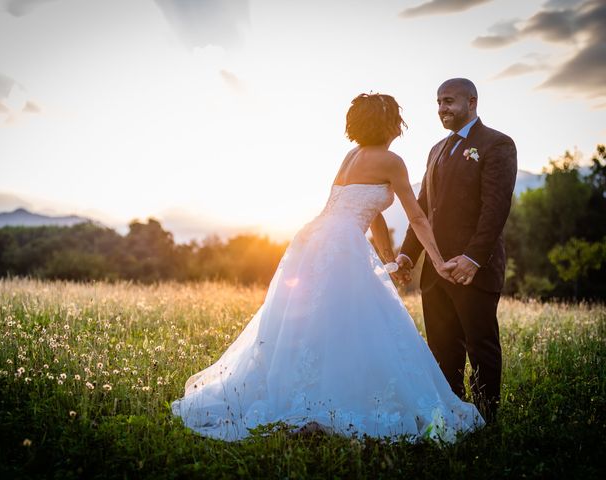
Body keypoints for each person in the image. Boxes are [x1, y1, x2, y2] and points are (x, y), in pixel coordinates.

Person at [172, 93, 484, 441]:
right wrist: (438, 262)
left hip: (314, 235)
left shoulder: (352, 157)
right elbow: (417, 216)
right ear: (390, 123)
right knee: (350, 322)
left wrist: (389, 259)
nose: (401, 124)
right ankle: (329, 404)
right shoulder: (392, 161)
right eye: (397, 118)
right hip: (339, 242)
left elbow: (371, 210)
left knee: (317, 323)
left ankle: (310, 399)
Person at [395, 78, 517, 419]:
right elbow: (422, 207)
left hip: (473, 270)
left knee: (481, 346)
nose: (442, 109)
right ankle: (453, 418)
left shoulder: (497, 144)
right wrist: (408, 253)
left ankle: (486, 420)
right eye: (438, 102)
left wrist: (473, 258)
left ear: (472, 102)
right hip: (435, 272)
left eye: (449, 101)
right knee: (442, 350)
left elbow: (496, 208)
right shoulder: (436, 149)